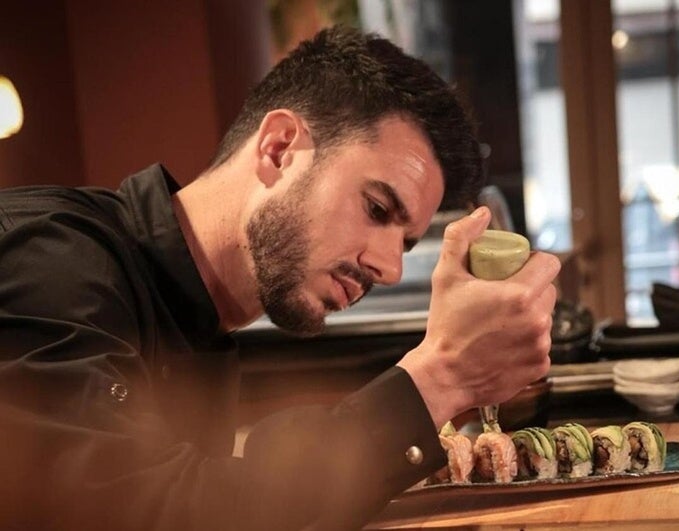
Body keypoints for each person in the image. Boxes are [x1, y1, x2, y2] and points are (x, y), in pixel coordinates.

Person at [0, 25, 560, 531]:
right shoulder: (54, 256)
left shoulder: (203, 335)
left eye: (407, 242)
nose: (389, 268)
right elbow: (130, 511)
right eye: (376, 209)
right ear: (279, 148)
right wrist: (440, 378)